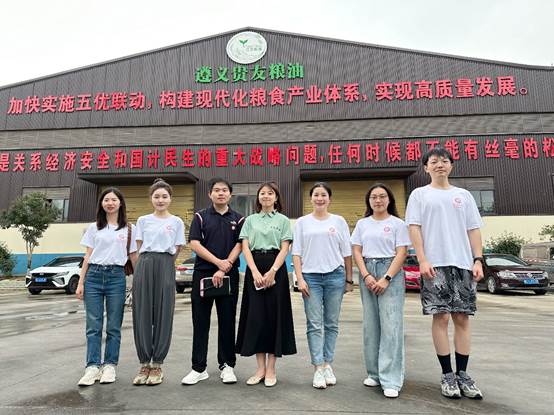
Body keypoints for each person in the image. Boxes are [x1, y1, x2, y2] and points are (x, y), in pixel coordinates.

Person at [405, 147, 484, 400]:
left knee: (462, 318)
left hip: (462, 264)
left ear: (451, 166)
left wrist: (478, 259)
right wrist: (422, 259)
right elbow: (414, 228)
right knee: (441, 318)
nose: (440, 164)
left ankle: (463, 374)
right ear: (426, 167)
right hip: (434, 265)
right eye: (434, 161)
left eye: (444, 161)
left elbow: (473, 229)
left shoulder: (463, 195)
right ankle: (447, 374)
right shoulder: (420, 195)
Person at [181, 178, 244, 385]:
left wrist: (225, 266)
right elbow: (194, 244)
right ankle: (198, 368)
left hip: (228, 275)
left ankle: (227, 366)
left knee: (227, 321)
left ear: (230, 194)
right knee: (200, 321)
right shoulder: (200, 217)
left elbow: (240, 245)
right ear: (210, 194)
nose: (220, 193)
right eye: (216, 190)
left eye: (224, 190)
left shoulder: (239, 219)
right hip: (203, 274)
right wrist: (218, 263)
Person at [351, 183, 410, 398]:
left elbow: (401, 252)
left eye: (382, 196)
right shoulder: (362, 224)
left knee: (391, 325)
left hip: (390, 271)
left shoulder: (397, 224)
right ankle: (374, 373)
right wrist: (366, 275)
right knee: (371, 325)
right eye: (374, 197)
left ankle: (391, 379)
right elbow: (356, 250)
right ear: (368, 201)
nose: (378, 200)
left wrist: (386, 278)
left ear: (389, 199)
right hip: (367, 270)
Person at [292, 182, 353, 389]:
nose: (320, 198)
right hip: (311, 278)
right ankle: (318, 367)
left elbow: (347, 253)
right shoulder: (302, 222)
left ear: (329, 199)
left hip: (335, 276)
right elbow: (296, 253)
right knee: (314, 324)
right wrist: (300, 279)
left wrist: (349, 280)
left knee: (332, 323)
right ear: (311, 198)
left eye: (323, 195)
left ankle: (328, 364)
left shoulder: (339, 221)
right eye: (316, 195)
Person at [235, 181, 296, 387]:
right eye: (263, 193)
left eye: (270, 193)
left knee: (274, 318)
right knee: (256, 319)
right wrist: (253, 272)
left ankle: (271, 368)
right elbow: (245, 247)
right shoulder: (250, 220)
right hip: (254, 267)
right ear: (258, 198)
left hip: (275, 268)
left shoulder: (283, 220)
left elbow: (285, 248)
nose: (266, 196)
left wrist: (273, 271)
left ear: (276, 198)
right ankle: (260, 368)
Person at [76, 187, 138, 386]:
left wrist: (139, 282)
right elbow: (87, 256)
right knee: (93, 325)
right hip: (93, 277)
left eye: (114, 200)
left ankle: (110, 365)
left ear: (120, 203)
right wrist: (81, 282)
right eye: (106, 200)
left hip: (116, 277)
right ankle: (92, 367)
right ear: (101, 204)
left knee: (113, 325)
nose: (110, 203)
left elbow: (133, 256)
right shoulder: (94, 227)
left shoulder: (129, 229)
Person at [132, 178, 185, 386]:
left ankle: (157, 365)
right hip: (145, 263)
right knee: (142, 312)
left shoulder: (176, 222)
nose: (160, 200)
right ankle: (144, 363)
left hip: (165, 263)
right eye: (156, 196)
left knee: (164, 312)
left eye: (164, 196)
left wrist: (165, 264)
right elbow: (138, 246)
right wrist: (144, 266)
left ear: (170, 199)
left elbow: (177, 248)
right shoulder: (143, 220)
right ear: (151, 198)